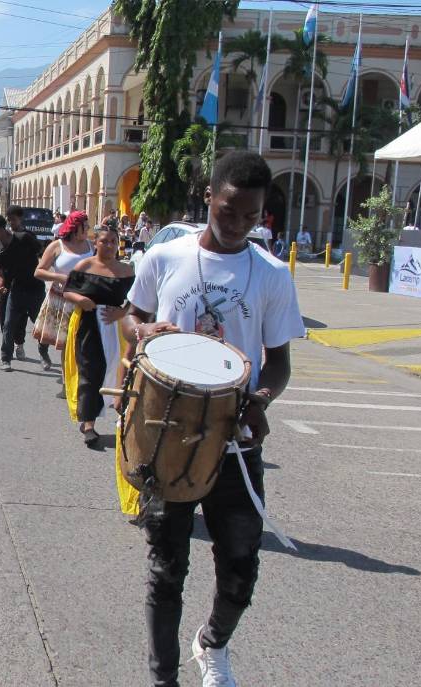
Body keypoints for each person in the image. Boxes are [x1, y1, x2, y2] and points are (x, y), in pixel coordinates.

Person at [122, 151, 304, 687]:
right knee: (166, 571)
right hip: (169, 439)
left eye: (252, 217)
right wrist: (140, 332)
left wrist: (262, 400)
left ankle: (211, 642)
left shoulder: (271, 275)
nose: (239, 225)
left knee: (241, 575)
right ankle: (164, 679)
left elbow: (279, 361)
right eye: (229, 212)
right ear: (210, 198)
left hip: (235, 444)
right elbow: (133, 313)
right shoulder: (166, 257)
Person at [61, 225, 134, 447]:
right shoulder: (86, 265)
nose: (109, 245)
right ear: (96, 242)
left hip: (117, 328)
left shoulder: (126, 270)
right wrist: (80, 300)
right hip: (89, 324)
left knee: (118, 370)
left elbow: (139, 299)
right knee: (90, 371)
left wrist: (122, 311)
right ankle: (88, 423)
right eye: (104, 241)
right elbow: (67, 290)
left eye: (113, 241)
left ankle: (123, 416)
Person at [0, 212, 46, 373]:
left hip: (35, 288)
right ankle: (6, 358)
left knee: (41, 325)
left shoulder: (24, 238)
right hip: (16, 289)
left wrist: (46, 272)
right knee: (8, 324)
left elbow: (43, 254)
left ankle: (43, 352)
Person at [34, 210, 93, 360]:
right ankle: (43, 349)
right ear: (74, 228)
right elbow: (39, 272)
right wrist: (59, 277)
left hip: (81, 299)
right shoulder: (56, 246)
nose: (88, 229)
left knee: (72, 341)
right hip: (59, 298)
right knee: (51, 334)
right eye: (85, 226)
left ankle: (70, 374)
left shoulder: (91, 246)